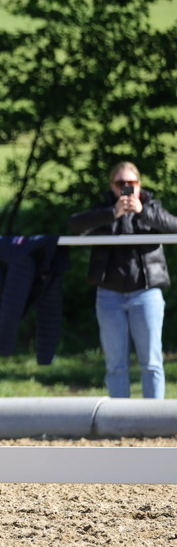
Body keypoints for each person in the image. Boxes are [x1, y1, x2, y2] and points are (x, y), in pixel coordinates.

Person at [68, 161, 177, 398]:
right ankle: (119, 417)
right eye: (120, 183)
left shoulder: (151, 206)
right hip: (109, 295)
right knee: (115, 364)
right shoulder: (105, 208)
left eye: (131, 182)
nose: (126, 187)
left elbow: (174, 226)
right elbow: (75, 224)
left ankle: (153, 416)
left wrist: (142, 211)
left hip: (146, 292)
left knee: (151, 362)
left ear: (140, 184)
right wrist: (113, 213)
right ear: (112, 186)